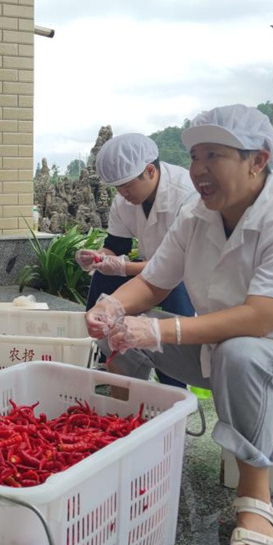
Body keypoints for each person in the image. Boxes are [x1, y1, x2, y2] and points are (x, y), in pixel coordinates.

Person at [86, 105, 273, 545]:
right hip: (228, 350)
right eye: (194, 156)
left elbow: (260, 318)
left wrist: (162, 329)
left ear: (258, 160)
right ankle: (110, 439)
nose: (198, 170)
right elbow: (153, 282)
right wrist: (114, 308)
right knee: (129, 335)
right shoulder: (197, 215)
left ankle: (254, 497)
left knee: (240, 351)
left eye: (214, 155)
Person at [76, 133, 198, 387]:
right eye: (117, 187)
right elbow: (116, 246)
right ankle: (107, 353)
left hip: (183, 277)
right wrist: (100, 258)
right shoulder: (123, 200)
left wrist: (124, 266)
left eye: (128, 185)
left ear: (150, 171)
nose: (123, 193)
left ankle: (172, 383)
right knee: (103, 278)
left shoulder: (187, 196)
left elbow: (178, 266)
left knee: (174, 293)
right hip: (153, 272)